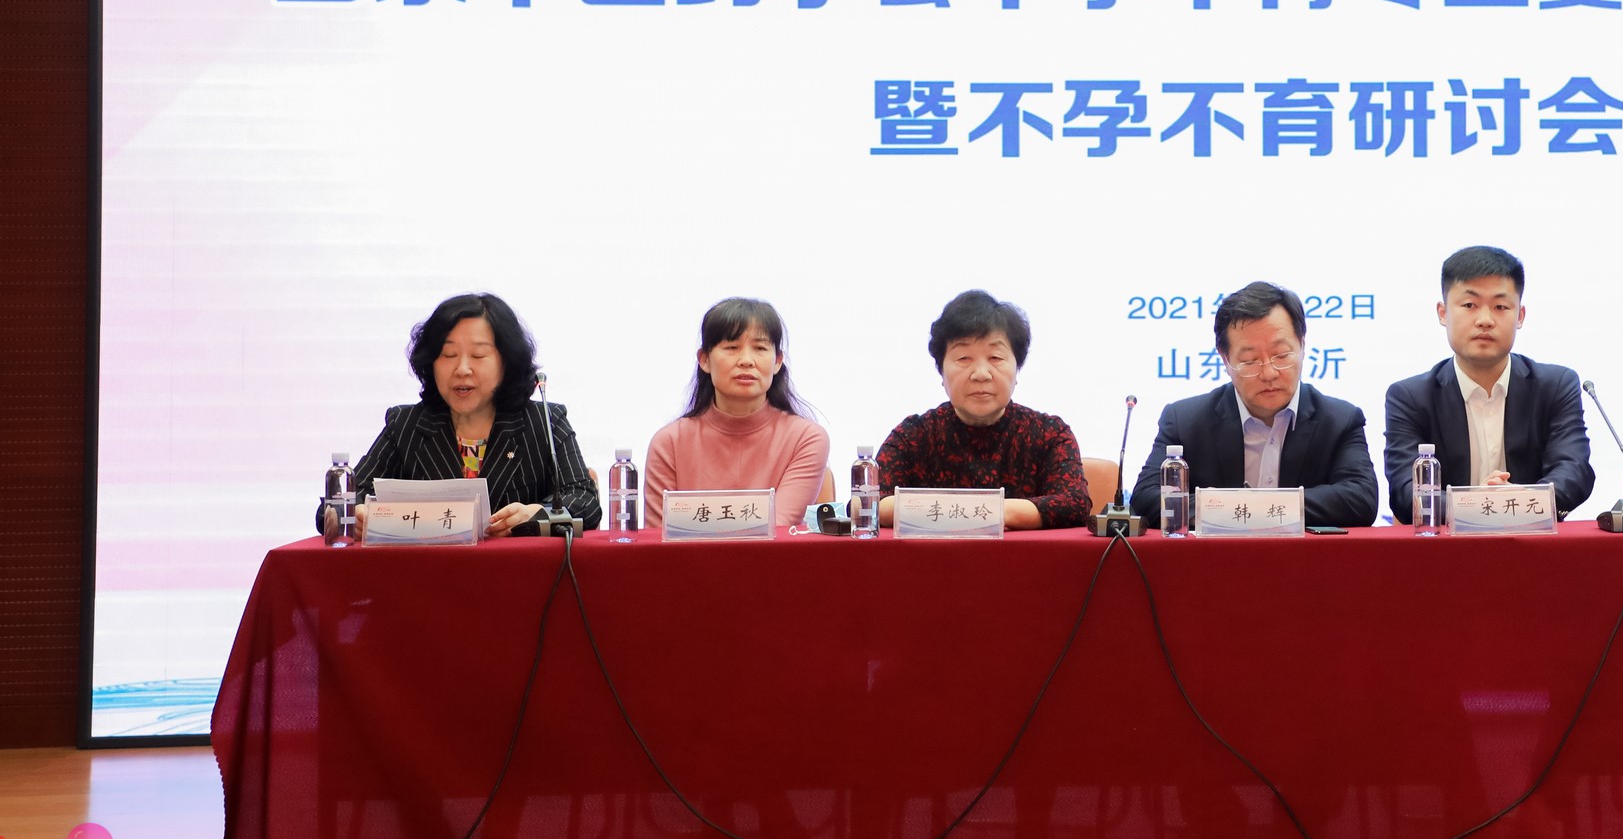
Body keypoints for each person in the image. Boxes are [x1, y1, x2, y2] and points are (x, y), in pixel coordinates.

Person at [334, 292, 600, 538]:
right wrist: (355, 515)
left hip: (517, 571)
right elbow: (340, 502)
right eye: (448, 354)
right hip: (428, 571)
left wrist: (537, 514)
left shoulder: (544, 421)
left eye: (478, 355)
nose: (462, 369)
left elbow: (585, 500)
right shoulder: (405, 426)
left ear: (506, 361)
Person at [1128, 281, 1380, 528]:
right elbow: (1146, 498)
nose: (1269, 373)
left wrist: (1247, 508)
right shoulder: (1185, 421)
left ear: (1303, 346)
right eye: (1250, 360)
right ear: (1225, 360)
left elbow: (1361, 500)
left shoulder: (1340, 420)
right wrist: (1249, 509)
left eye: (1281, 355)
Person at [1382, 245, 1596, 523]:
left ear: (1520, 316)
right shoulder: (1410, 397)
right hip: (1446, 547)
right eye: (1469, 305)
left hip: (1533, 541)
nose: (1485, 320)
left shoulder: (1555, 386)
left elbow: (1574, 472)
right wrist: (1481, 504)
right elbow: (1405, 494)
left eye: (1500, 307)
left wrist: (1520, 500)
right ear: (1443, 313)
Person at [875, 289, 1092, 530]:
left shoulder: (1049, 434)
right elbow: (868, 503)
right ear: (941, 372)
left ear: (1017, 369)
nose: (980, 374)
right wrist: (994, 513)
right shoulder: (913, 435)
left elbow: (1075, 503)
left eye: (996, 358)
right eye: (963, 358)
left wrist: (958, 513)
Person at [643, 298, 831, 531]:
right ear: (704, 359)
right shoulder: (669, 443)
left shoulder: (806, 439)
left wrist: (693, 526)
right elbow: (657, 538)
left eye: (760, 348)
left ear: (777, 362)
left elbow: (777, 527)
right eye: (732, 348)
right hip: (690, 557)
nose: (746, 361)